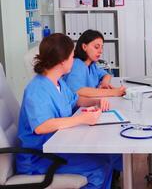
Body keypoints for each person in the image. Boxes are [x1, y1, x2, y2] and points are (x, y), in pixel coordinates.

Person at [16, 33, 119, 189]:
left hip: (60, 146)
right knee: (99, 168)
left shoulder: (58, 82)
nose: (74, 60)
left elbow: (75, 100)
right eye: (72, 56)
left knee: (109, 157)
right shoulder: (36, 89)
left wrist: (96, 101)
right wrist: (82, 119)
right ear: (62, 61)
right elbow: (42, 126)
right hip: (39, 157)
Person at [64, 29, 126, 97]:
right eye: (96, 47)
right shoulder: (77, 65)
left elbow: (106, 75)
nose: (100, 51)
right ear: (84, 47)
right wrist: (112, 92)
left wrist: (104, 83)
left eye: (101, 47)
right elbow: (78, 90)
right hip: (79, 107)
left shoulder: (92, 65)